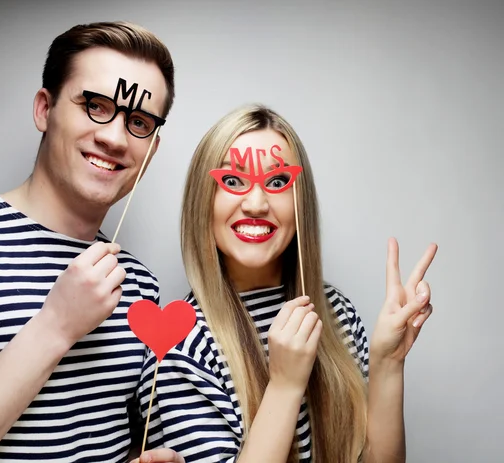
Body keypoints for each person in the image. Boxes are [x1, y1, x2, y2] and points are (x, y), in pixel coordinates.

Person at [0, 21, 183, 463]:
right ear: (43, 109)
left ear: (152, 147)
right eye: (95, 105)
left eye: (138, 121)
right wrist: (56, 325)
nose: (113, 137)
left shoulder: (141, 288)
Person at [137, 105, 437, 463]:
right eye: (232, 181)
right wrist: (284, 386)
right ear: (203, 200)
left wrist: (389, 361)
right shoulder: (180, 342)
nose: (256, 203)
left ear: (301, 202)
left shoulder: (337, 313)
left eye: (278, 182)